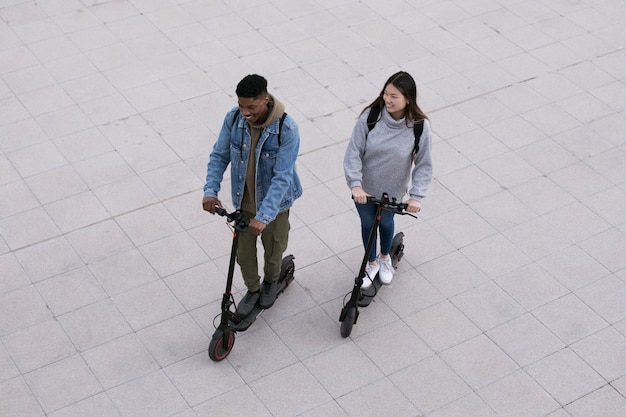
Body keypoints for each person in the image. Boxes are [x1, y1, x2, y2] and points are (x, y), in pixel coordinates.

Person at [202, 74, 302, 316]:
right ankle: (253, 289)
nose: (245, 112)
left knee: (273, 249)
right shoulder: (234, 119)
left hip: (275, 204)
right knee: (244, 254)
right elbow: (219, 155)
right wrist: (210, 191)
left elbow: (282, 177)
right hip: (243, 202)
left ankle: (271, 282)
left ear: (265, 100)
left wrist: (264, 216)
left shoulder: (286, 129)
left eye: (251, 107)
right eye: (241, 106)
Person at [343, 71, 433, 288]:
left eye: (394, 96)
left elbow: (424, 164)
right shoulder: (371, 117)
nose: (387, 100)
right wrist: (355, 184)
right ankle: (371, 262)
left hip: (392, 191)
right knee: (367, 223)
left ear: (408, 98)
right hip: (364, 190)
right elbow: (353, 152)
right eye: (386, 94)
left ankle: (385, 258)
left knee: (385, 222)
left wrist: (416, 196)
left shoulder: (419, 127)